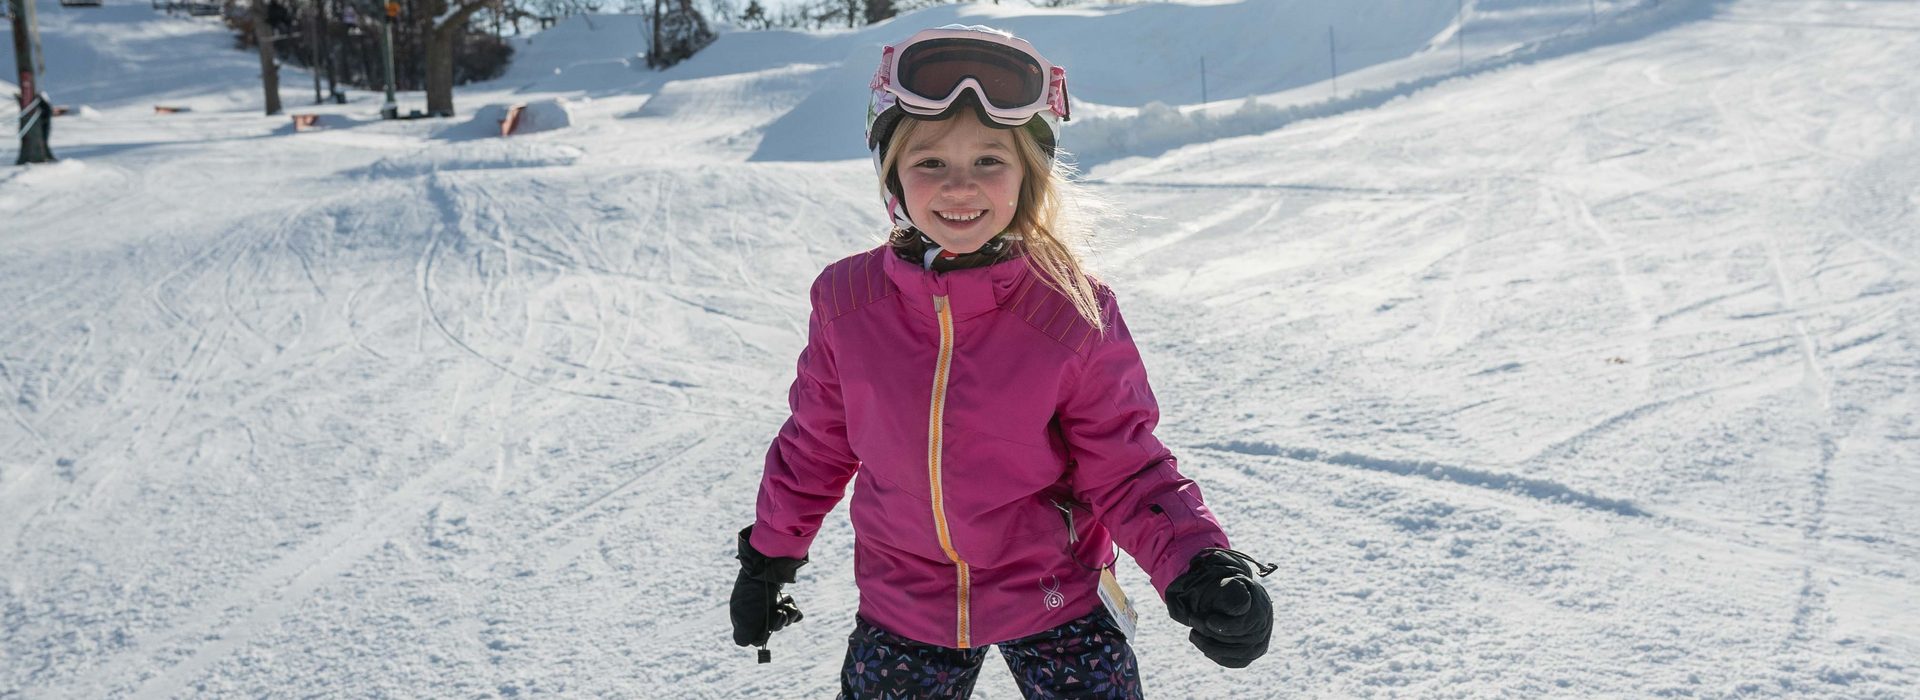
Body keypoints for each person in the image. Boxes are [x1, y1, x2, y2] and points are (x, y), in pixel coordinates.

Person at [729, 25, 1275, 699]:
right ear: (891, 172)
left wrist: (1198, 563)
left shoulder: (1070, 309)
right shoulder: (847, 301)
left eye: (989, 160)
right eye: (931, 162)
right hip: (906, 602)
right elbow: (815, 444)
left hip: (1055, 594)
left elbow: (1125, 463)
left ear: (1029, 175)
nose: (960, 187)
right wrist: (769, 557)